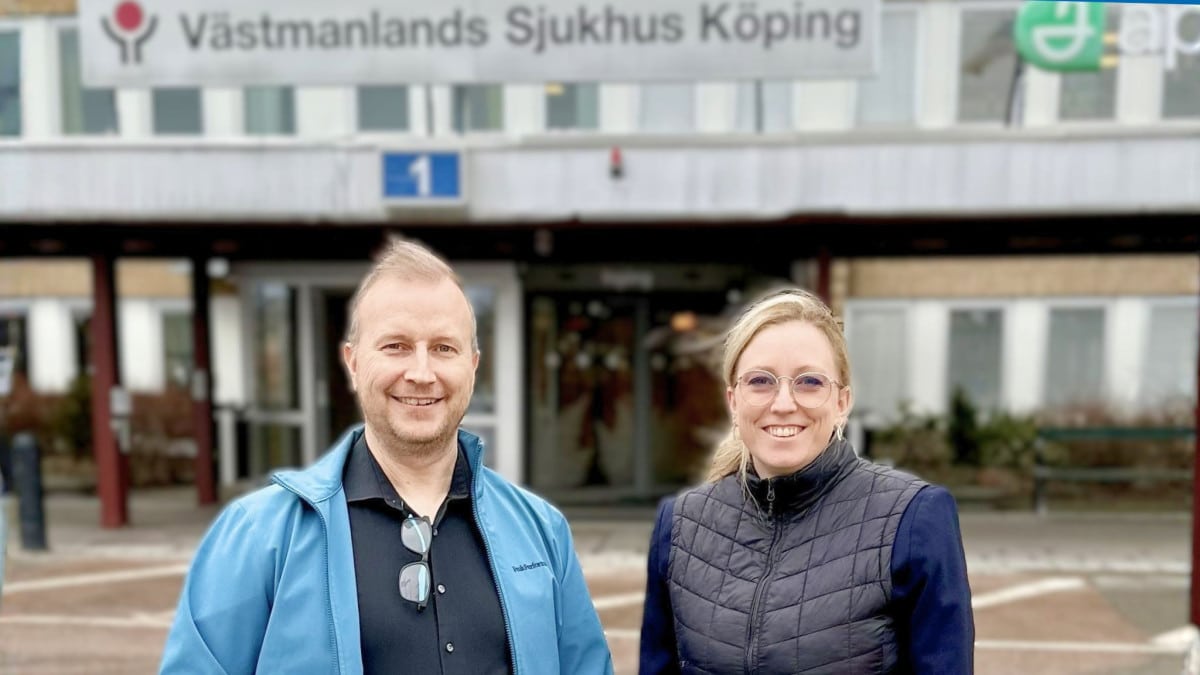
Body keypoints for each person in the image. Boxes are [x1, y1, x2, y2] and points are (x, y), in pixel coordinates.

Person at [162, 239, 613, 674]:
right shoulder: (258, 536)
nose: (421, 373)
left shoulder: (541, 531)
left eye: (443, 348)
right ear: (353, 363)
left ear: (473, 367)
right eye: (396, 346)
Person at [639, 289, 974, 674]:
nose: (783, 403)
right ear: (733, 400)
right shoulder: (679, 524)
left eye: (809, 381)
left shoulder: (915, 518)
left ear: (842, 403)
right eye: (761, 381)